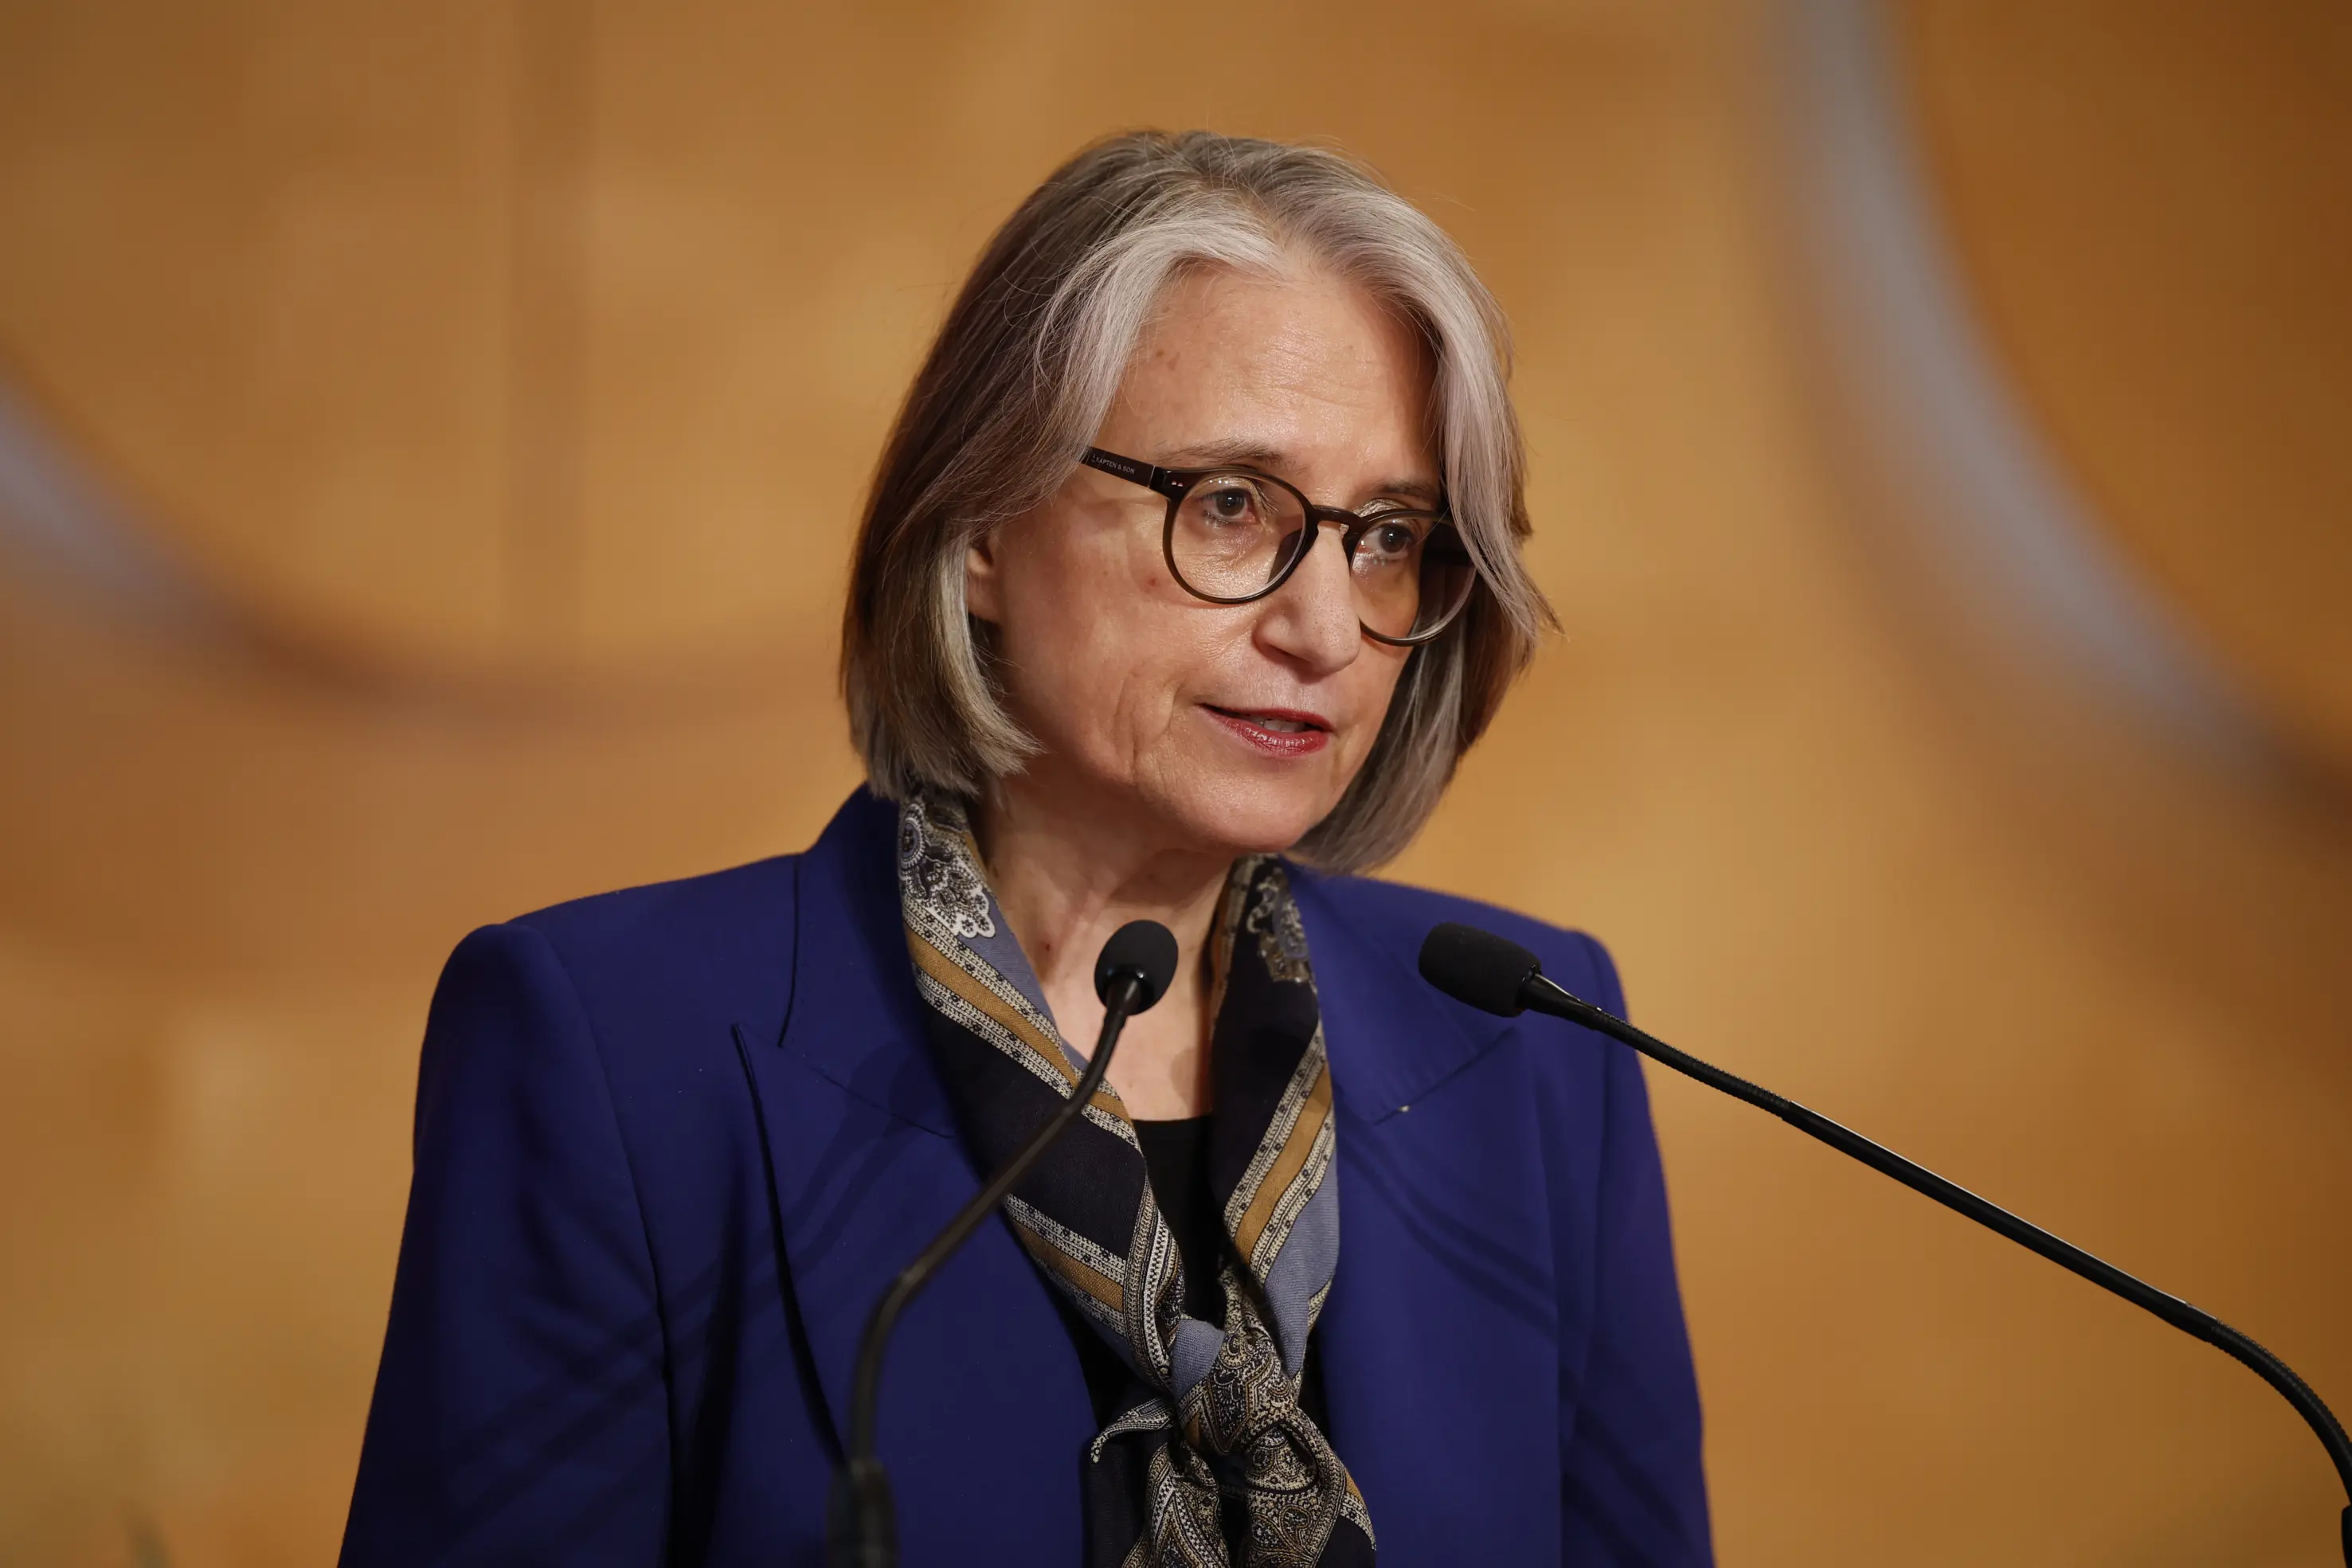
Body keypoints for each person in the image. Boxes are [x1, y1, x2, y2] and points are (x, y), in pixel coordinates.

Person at [340, 130, 1711, 1567]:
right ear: (987, 519)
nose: (1323, 629)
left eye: (1385, 537)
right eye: (1233, 506)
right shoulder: (614, 1048)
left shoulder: (1536, 1054)